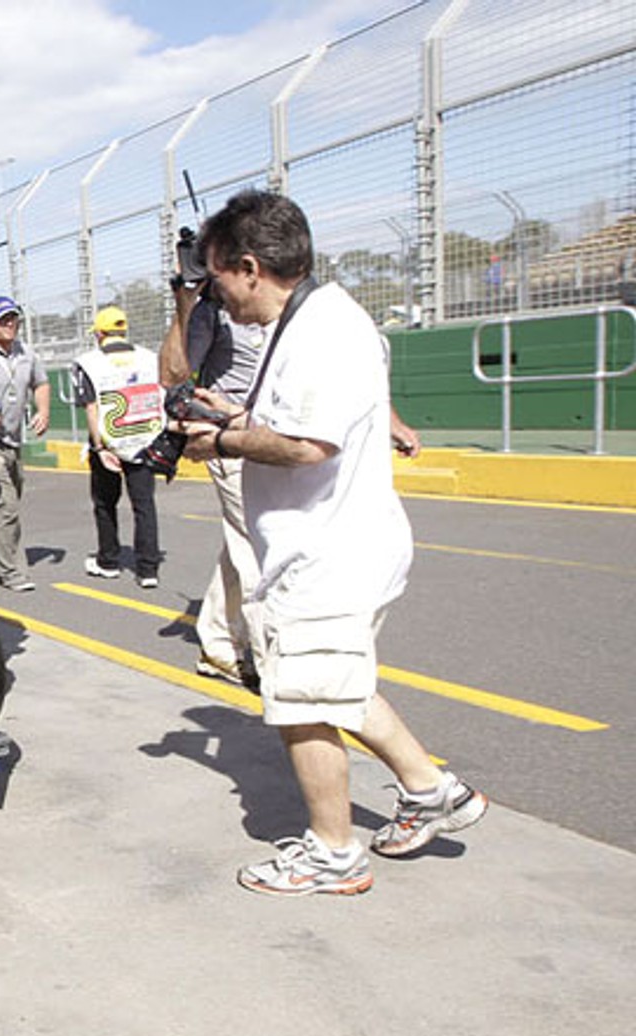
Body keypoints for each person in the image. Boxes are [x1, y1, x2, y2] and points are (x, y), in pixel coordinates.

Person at [174, 189, 487, 896]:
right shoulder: (311, 318)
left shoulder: (322, 330)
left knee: (302, 699)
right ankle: (431, 789)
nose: (215, 297)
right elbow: (299, 417)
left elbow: (310, 444)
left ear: (250, 267)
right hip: (333, 547)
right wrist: (237, 413)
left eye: (217, 279)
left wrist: (220, 439)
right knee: (338, 683)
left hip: (326, 555)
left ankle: (333, 852)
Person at [161, 269, 266, 685]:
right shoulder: (210, 312)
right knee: (260, 551)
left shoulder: (275, 305)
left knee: (242, 546)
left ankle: (219, 643)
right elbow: (172, 375)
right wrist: (184, 306)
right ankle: (271, 659)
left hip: (269, 436)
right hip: (232, 443)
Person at [72, 306, 164, 589]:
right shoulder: (150, 358)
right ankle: (148, 569)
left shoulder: (87, 362)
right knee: (144, 505)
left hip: (108, 444)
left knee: (104, 503)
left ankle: (108, 561)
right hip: (144, 441)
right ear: (123, 331)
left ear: (99, 334)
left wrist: (99, 448)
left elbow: (91, 408)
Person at [0, 296, 51, 592]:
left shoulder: (27, 354)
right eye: (2, 320)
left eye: (13, 319)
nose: (9, 324)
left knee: (9, 503)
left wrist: (43, 410)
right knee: (5, 506)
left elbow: (41, 383)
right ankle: (8, 572)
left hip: (13, 440)